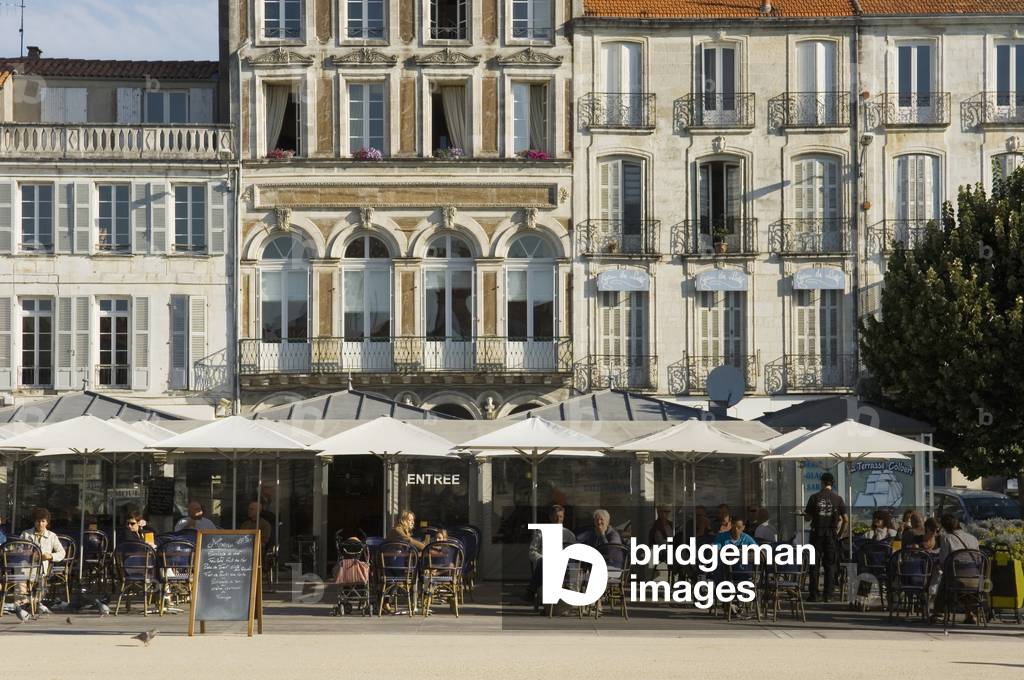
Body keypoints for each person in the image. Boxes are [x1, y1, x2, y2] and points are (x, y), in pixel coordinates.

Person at [803, 472, 848, 602]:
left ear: (822, 483)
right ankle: (828, 595)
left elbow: (808, 518)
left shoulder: (814, 497)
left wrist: (804, 515)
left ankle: (814, 594)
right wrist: (839, 535)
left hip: (817, 533)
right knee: (830, 565)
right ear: (832, 484)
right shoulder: (838, 499)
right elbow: (845, 519)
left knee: (814, 565)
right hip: (831, 534)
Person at [525, 504, 576, 601]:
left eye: (560, 516)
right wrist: (541, 558)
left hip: (564, 566)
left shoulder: (569, 535)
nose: (558, 519)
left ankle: (531, 590)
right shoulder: (541, 533)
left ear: (563, 517)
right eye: (556, 516)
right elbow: (532, 551)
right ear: (550, 517)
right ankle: (531, 591)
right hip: (546, 565)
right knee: (545, 561)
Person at [18, 507, 66, 608]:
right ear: (34, 521)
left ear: (47, 522)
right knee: (20, 574)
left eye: (43, 521)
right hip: (26, 566)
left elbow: (62, 553)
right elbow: (18, 550)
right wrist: (26, 553)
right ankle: (24, 602)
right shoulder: (26, 534)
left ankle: (34, 602)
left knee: (41, 585)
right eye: (38, 521)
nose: (40, 524)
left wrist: (51, 556)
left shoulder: (52, 536)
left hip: (42, 569)